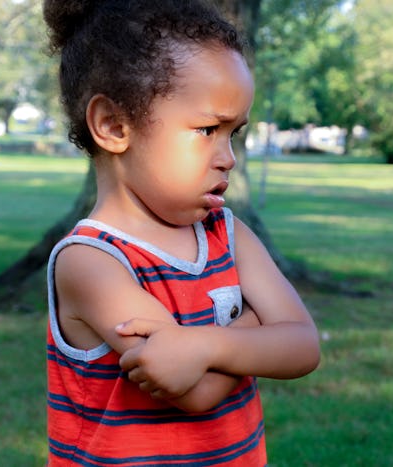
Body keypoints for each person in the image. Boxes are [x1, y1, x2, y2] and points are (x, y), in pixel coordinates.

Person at [43, 1, 321, 465]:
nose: (228, 157)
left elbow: (303, 346)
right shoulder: (91, 261)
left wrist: (204, 343)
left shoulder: (227, 234)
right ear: (113, 126)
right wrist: (259, 324)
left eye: (233, 133)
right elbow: (193, 390)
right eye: (208, 129)